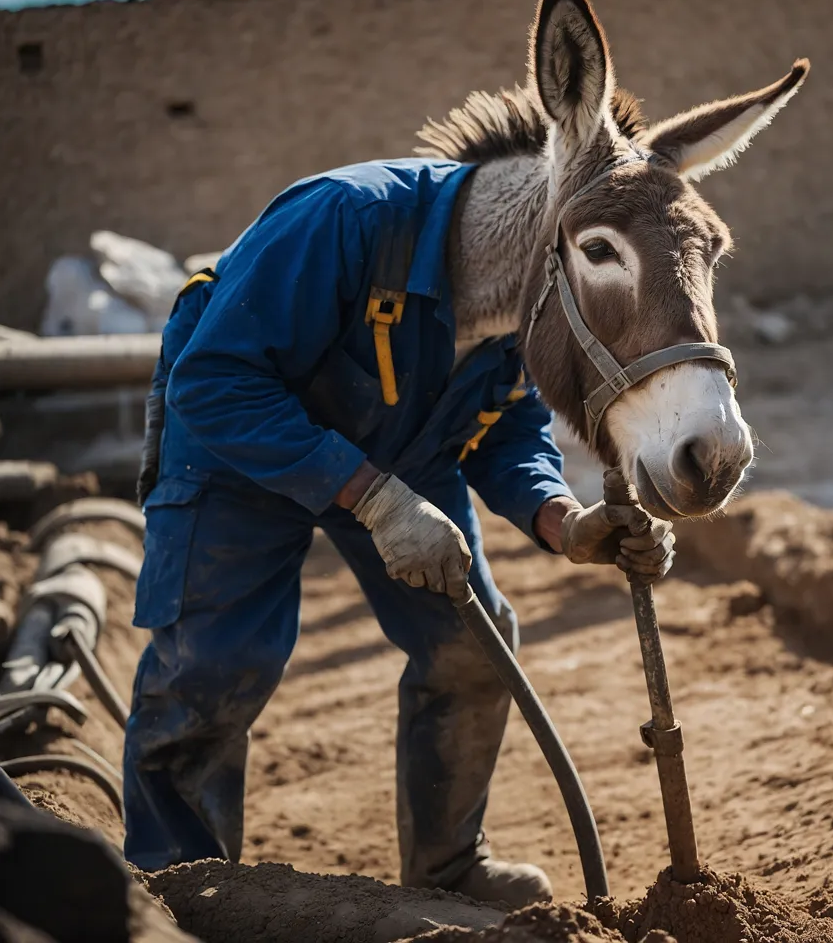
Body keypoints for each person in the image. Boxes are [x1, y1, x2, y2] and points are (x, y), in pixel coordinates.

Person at [124, 157, 674, 907]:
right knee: (215, 665)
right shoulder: (343, 221)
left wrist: (563, 519)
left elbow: (507, 421)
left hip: (405, 450)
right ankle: (172, 888)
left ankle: (447, 867)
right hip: (237, 450)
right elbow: (214, 380)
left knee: (473, 646)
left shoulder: (538, 290)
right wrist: (376, 500)